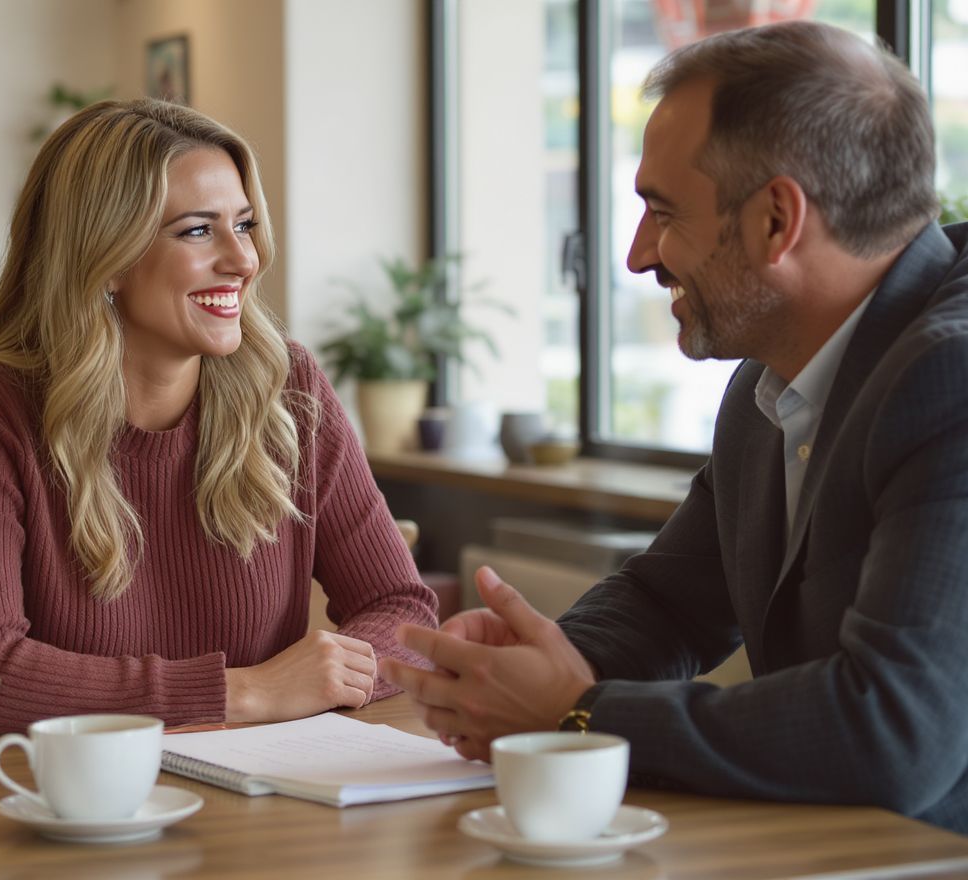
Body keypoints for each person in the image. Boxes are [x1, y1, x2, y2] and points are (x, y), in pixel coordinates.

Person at [383, 20, 968, 833]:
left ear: (775, 221)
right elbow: (670, 601)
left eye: (662, 210)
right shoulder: (770, 381)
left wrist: (578, 712)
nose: (635, 255)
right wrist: (530, 662)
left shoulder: (952, 378)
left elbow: (895, 732)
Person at [0, 98, 438, 736]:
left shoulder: (289, 388)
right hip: (64, 808)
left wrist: (335, 673)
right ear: (104, 259)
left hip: (265, 800)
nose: (244, 260)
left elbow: (399, 609)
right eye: (197, 230)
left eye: (243, 225)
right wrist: (240, 693)